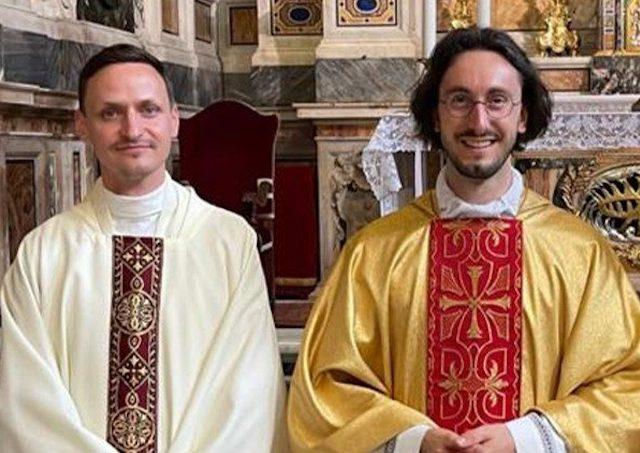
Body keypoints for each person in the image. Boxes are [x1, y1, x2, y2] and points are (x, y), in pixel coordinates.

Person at [287, 27, 640, 452]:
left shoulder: (579, 254)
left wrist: (526, 438)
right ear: (435, 116)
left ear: (523, 116)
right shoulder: (374, 253)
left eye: (497, 100)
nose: (479, 121)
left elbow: (628, 388)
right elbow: (324, 389)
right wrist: (411, 440)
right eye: (459, 100)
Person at [0, 44, 287, 452]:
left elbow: (248, 397)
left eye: (149, 109)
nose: (132, 130)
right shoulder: (44, 254)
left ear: (174, 120)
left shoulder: (228, 241)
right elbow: (26, 403)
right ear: (82, 125)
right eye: (110, 113)